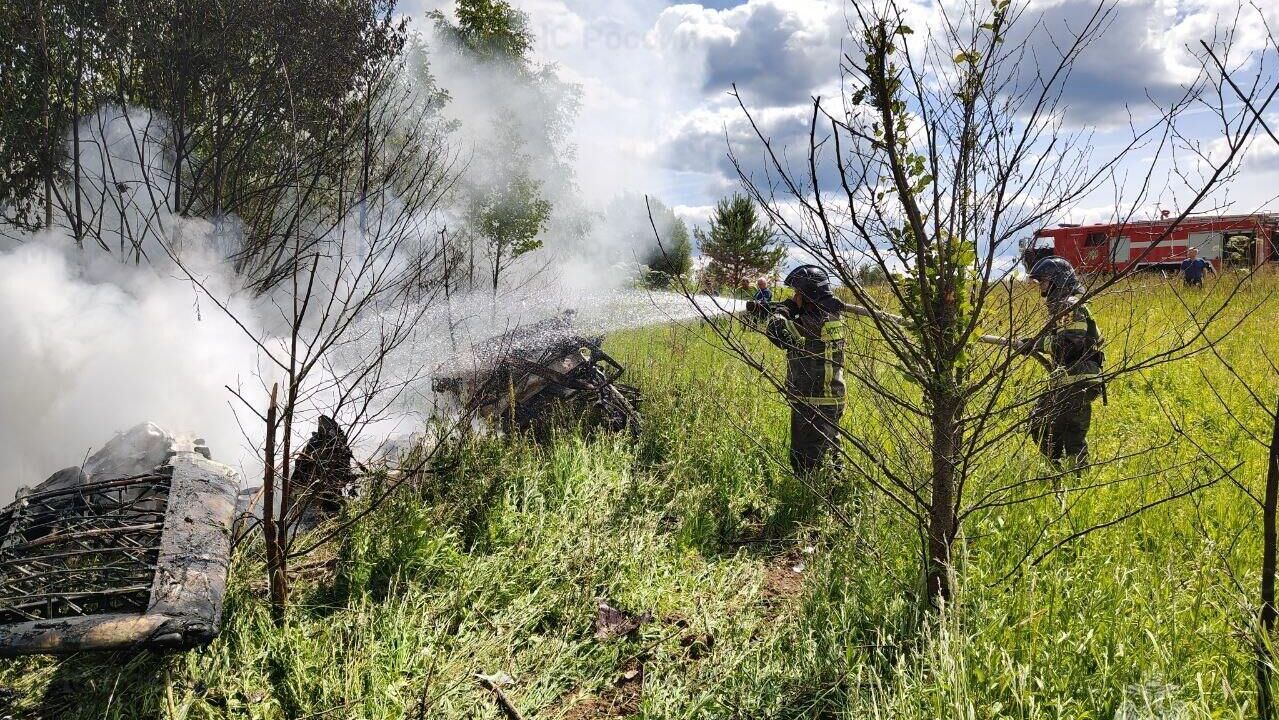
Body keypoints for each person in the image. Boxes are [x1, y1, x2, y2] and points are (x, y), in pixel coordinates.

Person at [750, 265, 848, 475]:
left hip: (815, 401)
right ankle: (836, 495)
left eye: (797, 293)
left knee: (807, 461)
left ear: (808, 295)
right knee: (830, 455)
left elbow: (776, 332)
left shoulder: (818, 320)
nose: (794, 297)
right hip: (827, 398)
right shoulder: (829, 315)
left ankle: (813, 500)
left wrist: (786, 309)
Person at [1019, 257, 1105, 465]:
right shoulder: (1064, 308)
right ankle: (1056, 469)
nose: (1042, 288)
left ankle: (1075, 478)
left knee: (1072, 436)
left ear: (1058, 281)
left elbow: (1069, 344)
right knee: (1042, 424)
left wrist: (1036, 344)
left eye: (1044, 283)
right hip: (1069, 379)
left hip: (1076, 380)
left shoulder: (1070, 306)